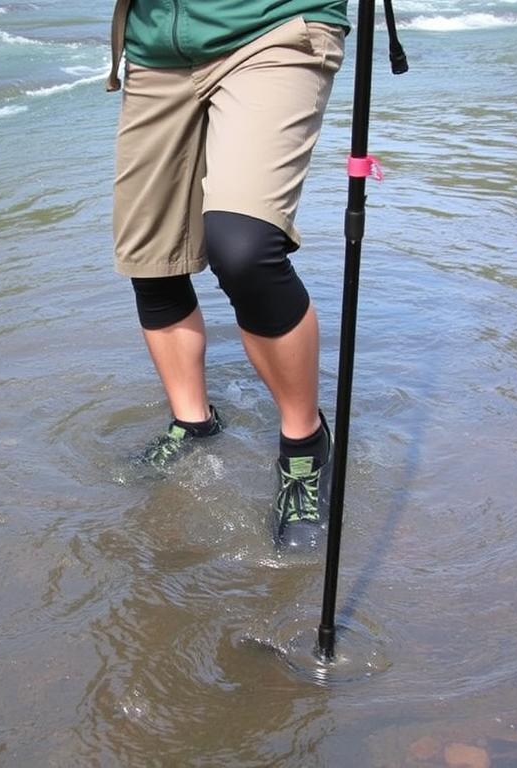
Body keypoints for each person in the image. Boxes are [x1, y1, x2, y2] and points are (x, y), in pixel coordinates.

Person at [107, 0, 348, 547]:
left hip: (270, 26)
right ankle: (194, 421)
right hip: (155, 49)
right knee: (152, 255)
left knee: (243, 248)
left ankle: (304, 445)